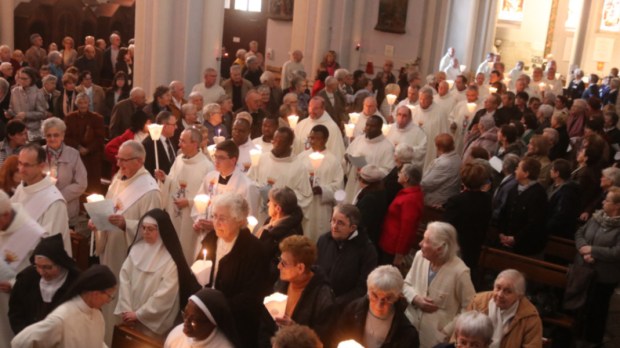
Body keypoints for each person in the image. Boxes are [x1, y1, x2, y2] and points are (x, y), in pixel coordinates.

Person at [197, 192, 270, 348]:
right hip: (206, 318)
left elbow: (253, 294)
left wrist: (218, 309)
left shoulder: (254, 250)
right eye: (214, 216)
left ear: (239, 221)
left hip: (237, 325)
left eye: (222, 218)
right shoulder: (211, 239)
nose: (216, 223)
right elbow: (197, 269)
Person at [115, 209, 200, 335]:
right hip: (128, 318)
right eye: (143, 228)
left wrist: (139, 315)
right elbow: (124, 278)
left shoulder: (170, 260)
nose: (145, 232)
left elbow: (165, 294)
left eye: (150, 229)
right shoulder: (135, 250)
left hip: (151, 324)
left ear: (161, 231)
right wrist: (127, 310)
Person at [403, 221, 476, 348]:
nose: (420, 244)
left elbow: (470, 308)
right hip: (409, 329)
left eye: (426, 241)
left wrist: (446, 331)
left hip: (435, 339)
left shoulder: (460, 272)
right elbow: (406, 284)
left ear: (440, 248)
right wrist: (415, 298)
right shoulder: (419, 256)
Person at [11, 265, 117, 348]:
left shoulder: (97, 314)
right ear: (95, 293)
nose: (108, 301)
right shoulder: (62, 318)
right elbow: (20, 342)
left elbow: (96, 343)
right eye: (109, 296)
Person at [259, 235, 335, 346]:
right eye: (280, 261)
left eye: (284, 263)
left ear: (300, 268)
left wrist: (295, 330)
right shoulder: (281, 284)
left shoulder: (323, 296)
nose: (279, 266)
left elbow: (323, 340)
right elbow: (266, 326)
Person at [156, 128, 213, 265]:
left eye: (183, 141)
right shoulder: (178, 160)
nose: (179, 144)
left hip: (190, 218)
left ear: (194, 144)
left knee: (186, 250)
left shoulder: (207, 167)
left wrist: (190, 202)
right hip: (174, 215)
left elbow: (210, 196)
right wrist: (165, 179)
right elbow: (172, 182)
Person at [574, 186, 620, 346]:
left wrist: (593, 250)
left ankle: (593, 341)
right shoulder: (597, 217)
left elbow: (617, 252)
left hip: (604, 276)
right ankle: (576, 335)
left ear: (617, 206)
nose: (603, 202)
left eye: (607, 200)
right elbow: (579, 233)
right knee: (581, 305)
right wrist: (583, 250)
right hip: (583, 269)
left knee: (597, 310)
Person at [8, 234, 81, 334]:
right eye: (37, 266)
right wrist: (26, 337)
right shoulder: (27, 277)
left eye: (47, 267)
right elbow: (16, 312)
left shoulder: (75, 282)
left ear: (60, 263)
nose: (41, 272)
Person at [335, 265, 420, 347]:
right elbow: (338, 337)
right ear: (368, 291)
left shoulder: (406, 332)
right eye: (374, 296)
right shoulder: (353, 311)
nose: (379, 304)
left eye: (387, 298)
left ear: (397, 297)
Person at [12, 143, 72, 255]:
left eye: (27, 165)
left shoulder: (54, 201)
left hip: (36, 265)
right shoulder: (22, 188)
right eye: (20, 163)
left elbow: (51, 243)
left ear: (42, 166)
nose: (21, 169)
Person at [316, 204, 378, 307]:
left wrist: (335, 303)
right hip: (320, 300)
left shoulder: (367, 251)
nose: (334, 226)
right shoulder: (324, 240)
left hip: (345, 308)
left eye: (340, 223)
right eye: (333, 220)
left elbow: (363, 288)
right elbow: (314, 270)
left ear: (352, 228)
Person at [248, 127, 312, 224]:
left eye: (281, 142)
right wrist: (261, 190)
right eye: (275, 140)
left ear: (290, 144)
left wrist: (280, 198)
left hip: (283, 219)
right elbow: (249, 181)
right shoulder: (261, 159)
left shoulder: (298, 167)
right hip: (261, 214)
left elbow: (305, 196)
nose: (276, 145)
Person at [466, 269, 543, 348]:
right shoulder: (477, 302)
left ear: (519, 296)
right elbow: (459, 336)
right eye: (498, 288)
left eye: (508, 291)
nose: (500, 295)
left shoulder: (530, 318)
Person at [442, 161, 492, 272]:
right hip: (475, 245)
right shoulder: (487, 199)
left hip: (457, 246)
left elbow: (446, 226)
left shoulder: (456, 201)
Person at [297, 125, 343, 241]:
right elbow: (294, 179)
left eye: (316, 138)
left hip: (321, 208)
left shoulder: (333, 161)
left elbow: (338, 187)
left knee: (319, 238)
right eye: (311, 138)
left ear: (325, 140)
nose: (312, 141)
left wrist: (322, 190)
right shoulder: (301, 157)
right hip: (304, 206)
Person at [498, 157, 548, 256]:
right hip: (505, 241)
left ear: (526, 173)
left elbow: (534, 223)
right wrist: (502, 233)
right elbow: (504, 211)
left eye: (518, 168)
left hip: (524, 248)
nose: (515, 171)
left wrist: (515, 238)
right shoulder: (513, 189)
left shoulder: (539, 194)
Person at [42, 117, 87, 221]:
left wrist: (58, 197)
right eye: (49, 135)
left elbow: (81, 183)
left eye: (56, 135)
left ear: (62, 135)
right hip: (44, 206)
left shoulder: (73, 154)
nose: (52, 138)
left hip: (67, 206)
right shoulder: (38, 153)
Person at [256, 187, 303, 285]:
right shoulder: (270, 221)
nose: (268, 204)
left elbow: (278, 265)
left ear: (278, 208)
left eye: (270, 202)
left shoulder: (289, 234)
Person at [378, 163, 423, 267]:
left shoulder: (410, 200)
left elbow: (407, 229)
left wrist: (399, 253)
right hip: (389, 241)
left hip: (392, 247)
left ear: (406, 178)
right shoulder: (409, 193)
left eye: (401, 172)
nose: (398, 174)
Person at [164, 288, 241, 348]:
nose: (186, 322)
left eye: (194, 321)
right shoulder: (177, 334)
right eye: (185, 314)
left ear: (212, 324)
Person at [344, 115, 394, 203]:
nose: (368, 128)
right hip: (354, 182)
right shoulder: (359, 140)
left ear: (380, 127)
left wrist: (369, 172)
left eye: (372, 126)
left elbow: (387, 171)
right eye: (367, 125)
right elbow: (348, 154)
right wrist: (347, 159)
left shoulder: (387, 147)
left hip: (370, 188)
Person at [64, 92, 106, 193]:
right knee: (76, 182)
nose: (83, 105)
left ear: (89, 103)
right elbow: (66, 137)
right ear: (76, 104)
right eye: (80, 103)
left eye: (85, 103)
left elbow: (100, 138)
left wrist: (88, 149)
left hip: (93, 157)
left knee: (93, 186)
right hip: (75, 155)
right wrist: (78, 147)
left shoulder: (97, 118)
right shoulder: (70, 118)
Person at [411, 88, 450, 170]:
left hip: (431, 149)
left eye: (425, 99)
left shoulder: (440, 112)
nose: (422, 101)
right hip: (416, 148)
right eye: (420, 98)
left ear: (431, 98)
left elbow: (444, 134)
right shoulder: (414, 110)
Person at [420, 134, 461, 209]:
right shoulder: (457, 157)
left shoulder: (443, 163)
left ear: (439, 147)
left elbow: (427, 183)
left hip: (437, 202)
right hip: (449, 198)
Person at [105, 109, 152, 175]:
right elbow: (109, 148)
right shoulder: (128, 136)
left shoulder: (152, 135)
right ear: (141, 123)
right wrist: (124, 159)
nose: (150, 125)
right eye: (147, 123)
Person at [8, 67, 47, 142]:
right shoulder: (14, 91)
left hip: (32, 130)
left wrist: (26, 115)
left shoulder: (38, 93)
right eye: (20, 78)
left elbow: (42, 114)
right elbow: (11, 107)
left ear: (31, 79)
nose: (21, 81)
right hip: (17, 130)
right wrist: (9, 113)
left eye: (25, 79)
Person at [142, 111, 178, 175]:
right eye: (174, 125)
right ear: (164, 126)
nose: (176, 127)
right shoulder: (148, 144)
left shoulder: (172, 140)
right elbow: (147, 169)